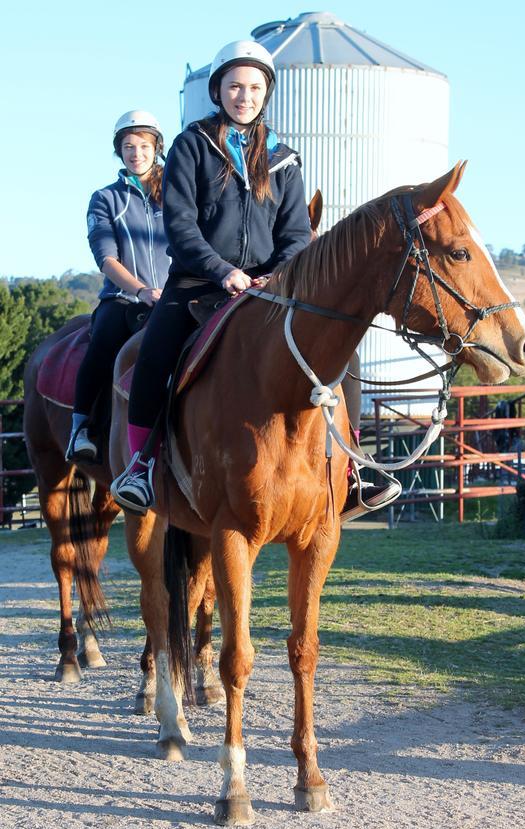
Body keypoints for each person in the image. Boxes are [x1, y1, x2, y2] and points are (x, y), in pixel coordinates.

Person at [111, 40, 311, 512]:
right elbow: (179, 225)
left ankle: (351, 465)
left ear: (267, 93)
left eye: (255, 87)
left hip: (269, 289)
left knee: (338, 348)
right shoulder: (191, 146)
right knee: (154, 354)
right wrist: (222, 271)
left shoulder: (284, 159)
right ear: (217, 90)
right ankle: (140, 466)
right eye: (235, 86)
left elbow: (297, 232)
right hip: (197, 284)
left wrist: (274, 277)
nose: (245, 96)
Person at [65, 110, 170, 462]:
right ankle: (81, 427)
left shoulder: (176, 194)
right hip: (125, 298)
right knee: (105, 338)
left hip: (175, 297)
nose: (136, 153)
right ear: (119, 151)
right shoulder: (104, 199)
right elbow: (107, 259)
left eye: (143, 145)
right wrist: (141, 290)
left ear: (157, 149)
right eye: (128, 146)